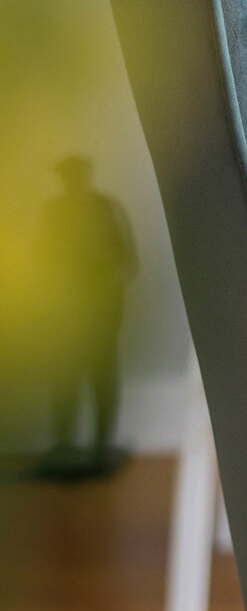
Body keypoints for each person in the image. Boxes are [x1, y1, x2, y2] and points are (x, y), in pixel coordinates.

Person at [35, 155, 136, 478]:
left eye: (79, 174)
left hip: (102, 308)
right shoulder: (52, 212)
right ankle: (64, 441)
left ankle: (101, 442)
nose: (74, 181)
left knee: (103, 374)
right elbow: (41, 259)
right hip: (65, 309)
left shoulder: (107, 209)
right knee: (64, 374)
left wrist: (98, 267)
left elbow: (127, 259)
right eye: (69, 175)